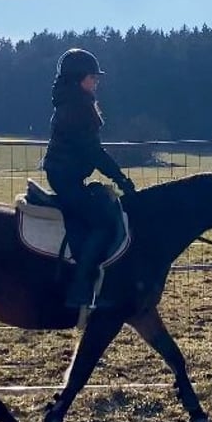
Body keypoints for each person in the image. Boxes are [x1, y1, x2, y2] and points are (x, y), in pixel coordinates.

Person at [42, 48, 136, 308]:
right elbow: (94, 152)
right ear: (78, 79)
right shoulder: (77, 107)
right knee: (103, 222)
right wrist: (121, 179)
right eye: (92, 77)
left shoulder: (73, 103)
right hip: (65, 179)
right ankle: (81, 289)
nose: (97, 82)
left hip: (66, 176)